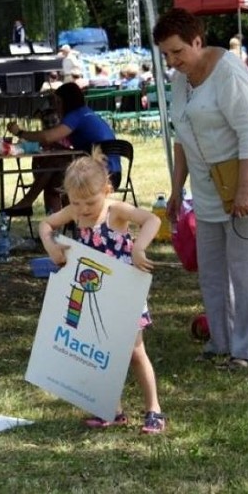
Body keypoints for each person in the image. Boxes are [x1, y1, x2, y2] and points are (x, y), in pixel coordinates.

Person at [152, 8, 248, 370]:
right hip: (207, 188)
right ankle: (221, 341)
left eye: (177, 51)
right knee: (212, 270)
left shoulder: (229, 73)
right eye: (166, 54)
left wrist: (244, 189)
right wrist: (177, 188)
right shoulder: (181, 79)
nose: (172, 60)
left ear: (198, 41)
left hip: (247, 180)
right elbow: (182, 137)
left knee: (247, 270)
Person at [38, 149, 166, 434]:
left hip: (123, 293)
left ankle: (154, 410)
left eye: (90, 202)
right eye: (76, 202)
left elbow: (152, 220)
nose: (83, 210)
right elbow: (46, 224)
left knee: (134, 352)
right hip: (93, 295)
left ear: (106, 190)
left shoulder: (115, 211)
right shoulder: (75, 212)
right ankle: (112, 408)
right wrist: (52, 246)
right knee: (100, 351)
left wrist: (138, 247)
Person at [7, 82, 121, 189]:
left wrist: (20, 132)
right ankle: (39, 206)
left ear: (66, 102)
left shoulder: (75, 116)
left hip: (103, 175)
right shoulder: (86, 112)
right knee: (55, 179)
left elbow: (48, 137)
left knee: (53, 166)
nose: (56, 107)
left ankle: (27, 203)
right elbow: (82, 150)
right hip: (112, 172)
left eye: (57, 102)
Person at [2, 108, 73, 217]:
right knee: (50, 185)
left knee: (51, 182)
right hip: (53, 176)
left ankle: (28, 203)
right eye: (46, 123)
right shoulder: (43, 139)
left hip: (71, 175)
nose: (50, 125)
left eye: (54, 122)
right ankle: (56, 225)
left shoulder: (64, 136)